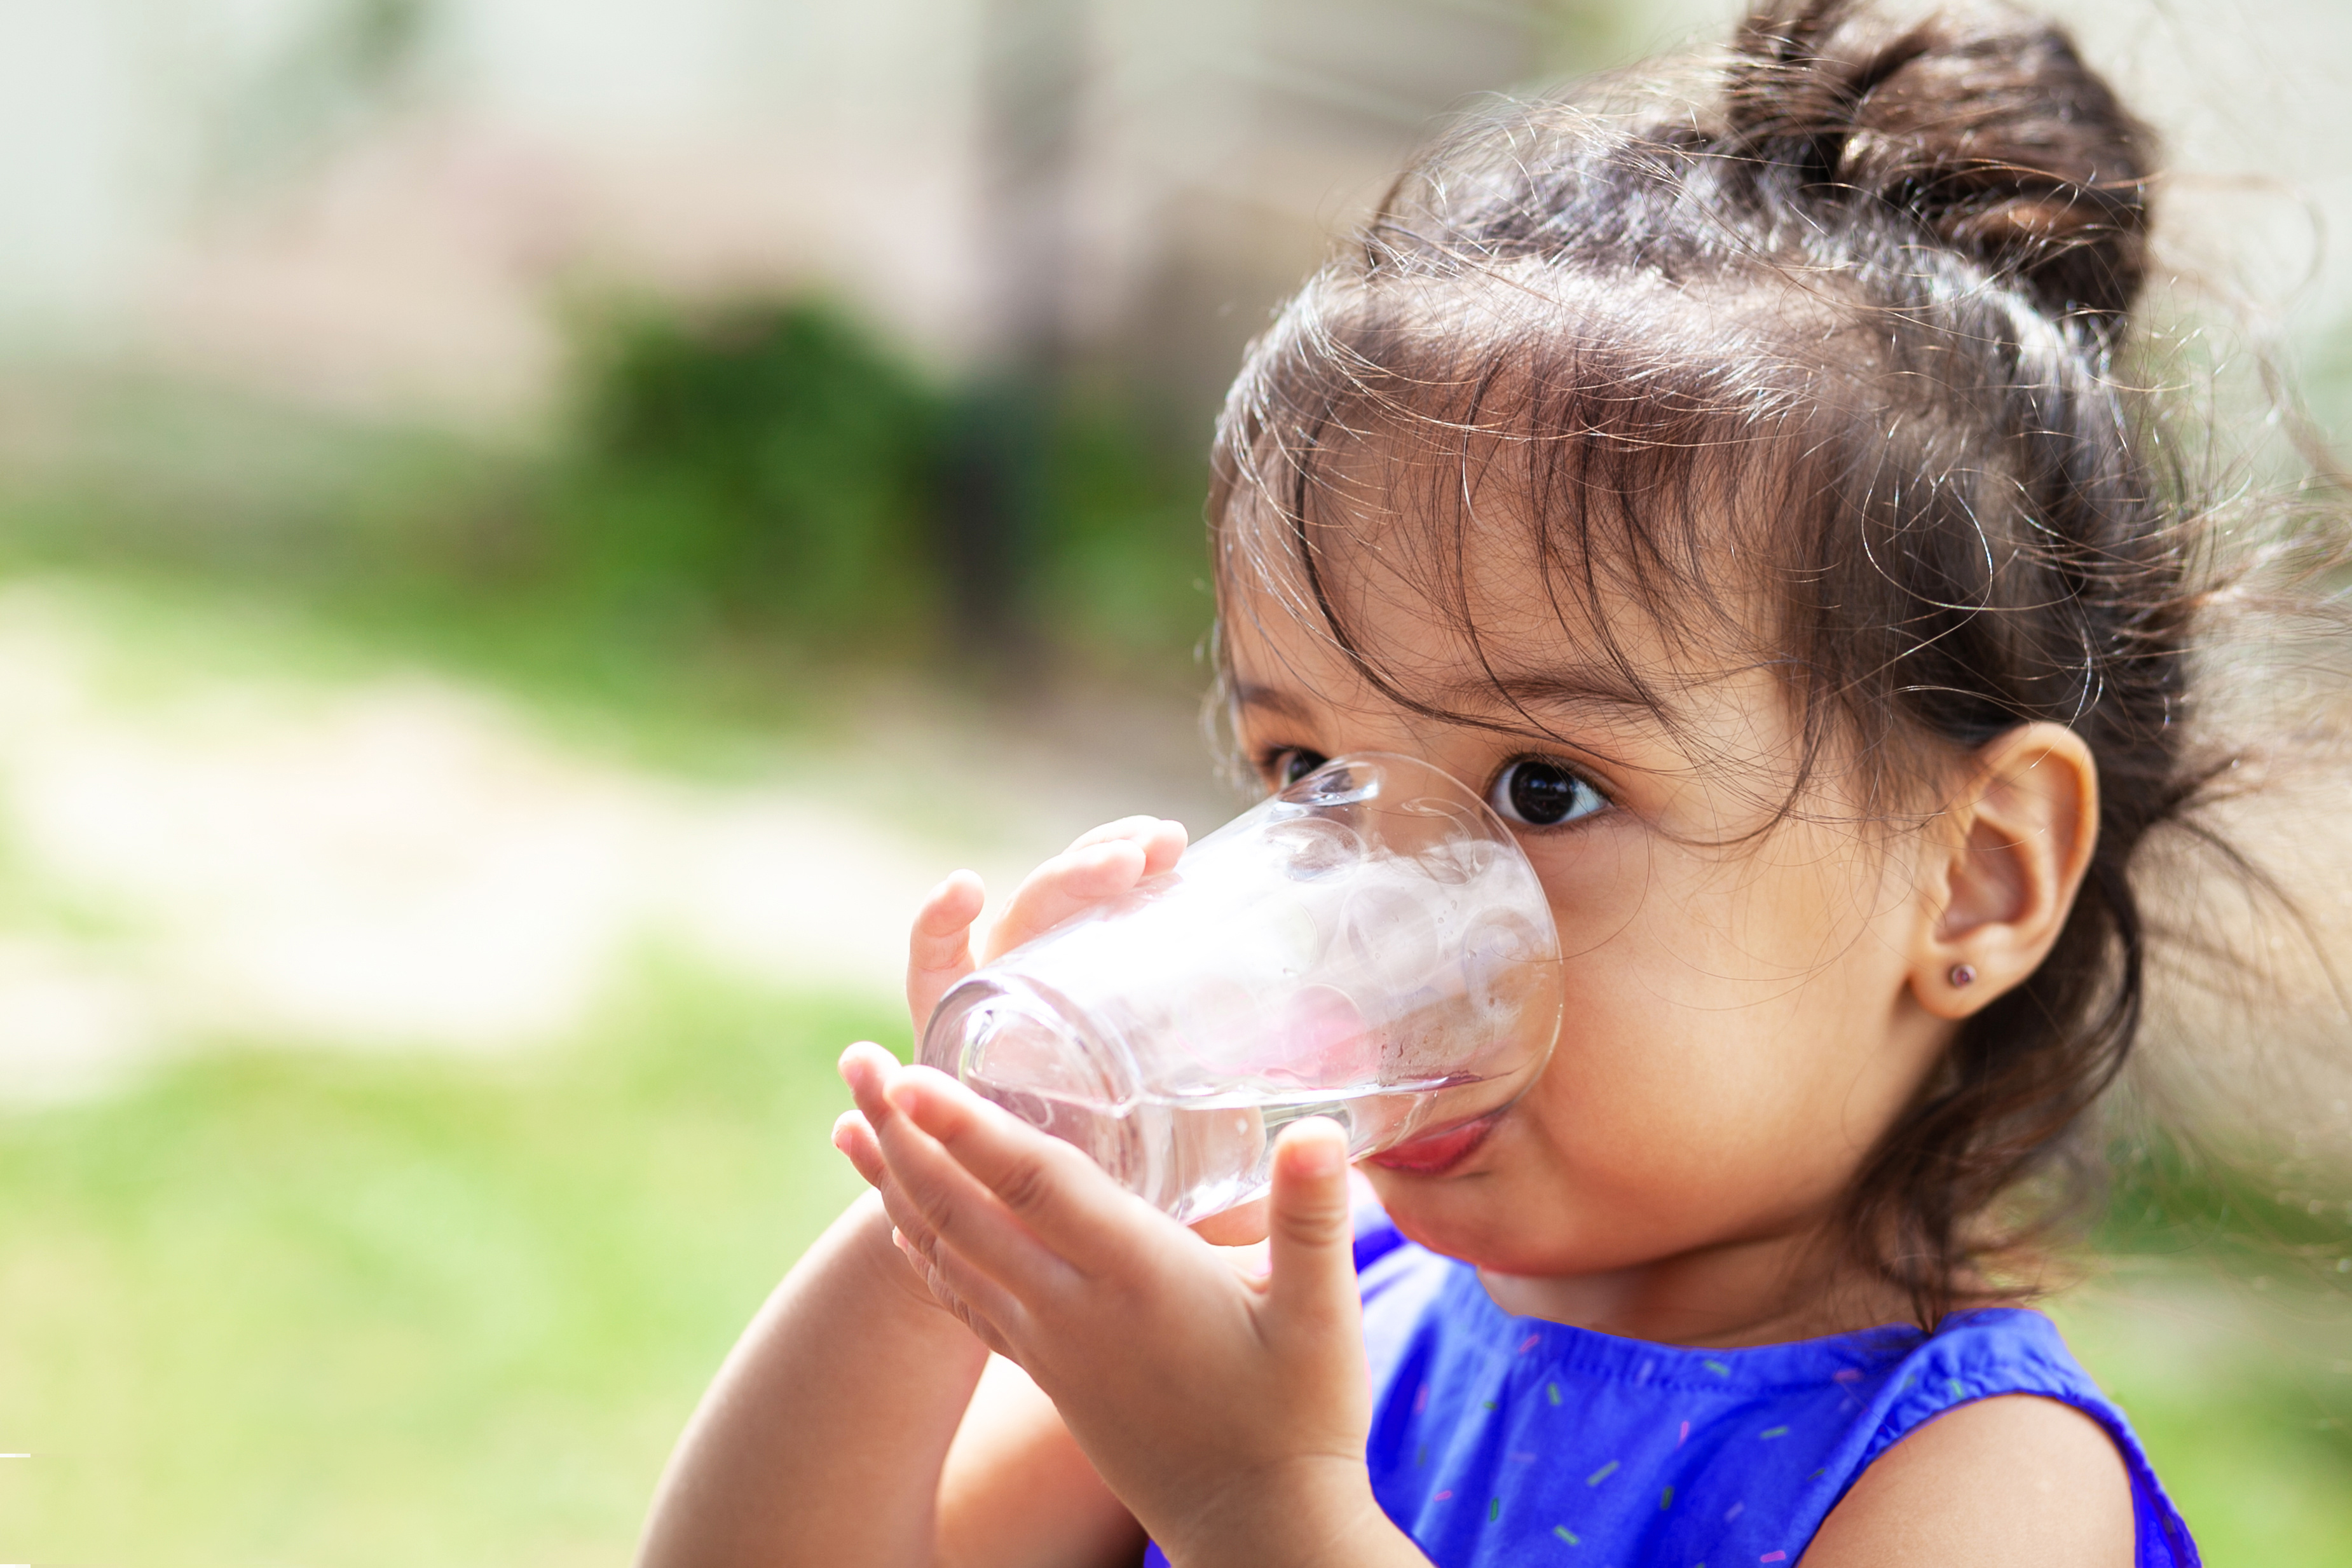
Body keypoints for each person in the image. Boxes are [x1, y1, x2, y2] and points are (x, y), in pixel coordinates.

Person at [636, 1, 2241, 1561]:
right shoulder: (1313, 1309)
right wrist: (951, 1229)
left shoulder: (1977, 1478)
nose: (1369, 921)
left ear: (1976, 876)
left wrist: (1260, 1510)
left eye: (1543, 787)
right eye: (1308, 766)